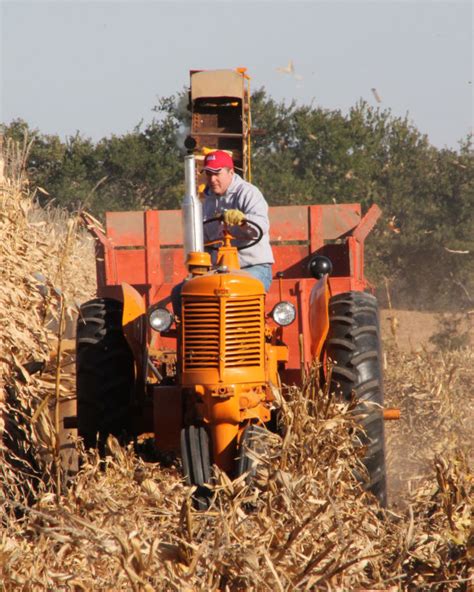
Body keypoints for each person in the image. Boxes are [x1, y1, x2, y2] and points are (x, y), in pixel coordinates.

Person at [202, 150, 274, 292]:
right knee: (181, 293)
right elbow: (204, 240)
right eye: (209, 174)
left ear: (231, 172)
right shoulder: (207, 202)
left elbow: (262, 225)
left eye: (217, 173)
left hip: (253, 267)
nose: (212, 179)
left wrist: (243, 220)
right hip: (220, 272)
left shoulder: (248, 193)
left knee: (233, 290)